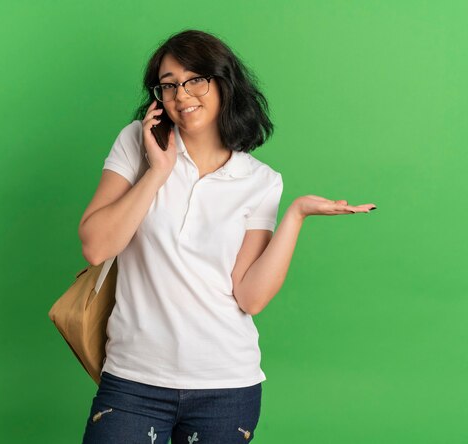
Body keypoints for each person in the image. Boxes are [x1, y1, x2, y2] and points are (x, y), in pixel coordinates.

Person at [78, 29, 376, 444]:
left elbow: (249, 297)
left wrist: (296, 215)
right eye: (169, 85)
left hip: (226, 385)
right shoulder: (137, 143)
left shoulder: (261, 181)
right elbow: (96, 247)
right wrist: (157, 172)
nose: (182, 95)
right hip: (134, 379)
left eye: (195, 79)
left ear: (224, 82)